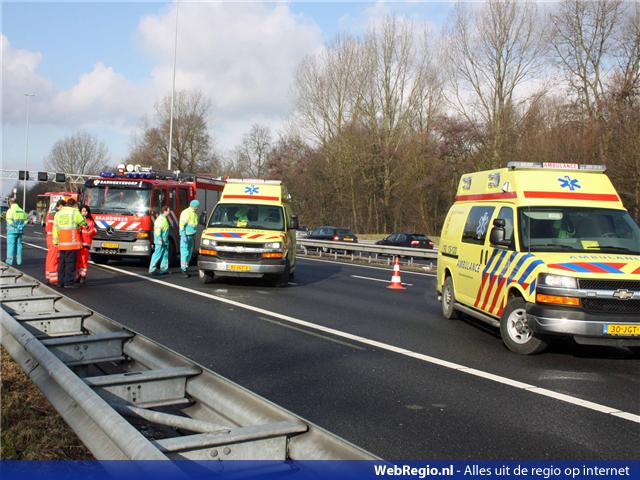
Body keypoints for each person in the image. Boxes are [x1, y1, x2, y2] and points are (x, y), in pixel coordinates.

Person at [52, 198, 86, 289]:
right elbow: (83, 223)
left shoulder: (58, 214)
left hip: (61, 243)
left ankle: (60, 282)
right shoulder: (75, 212)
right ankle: (69, 283)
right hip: (72, 243)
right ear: (74, 205)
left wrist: (55, 241)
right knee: (70, 263)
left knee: (61, 263)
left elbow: (55, 228)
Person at [45, 199, 66, 284]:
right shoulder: (56, 214)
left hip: (50, 237)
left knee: (50, 257)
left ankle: (48, 275)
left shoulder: (51, 213)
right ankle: (53, 278)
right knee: (54, 258)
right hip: (54, 237)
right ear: (60, 206)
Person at [76, 205, 97, 283]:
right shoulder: (78, 220)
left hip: (86, 243)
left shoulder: (90, 221)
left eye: (86, 211)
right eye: (83, 211)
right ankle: (78, 275)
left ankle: (83, 275)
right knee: (77, 260)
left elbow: (94, 231)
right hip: (78, 243)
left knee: (83, 260)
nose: (84, 212)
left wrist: (88, 230)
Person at [179, 199, 199, 278]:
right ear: (194, 206)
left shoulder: (194, 213)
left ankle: (186, 267)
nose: (197, 208)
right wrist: (183, 235)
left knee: (189, 253)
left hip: (191, 236)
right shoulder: (186, 213)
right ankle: (183, 269)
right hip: (186, 236)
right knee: (185, 253)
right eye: (197, 206)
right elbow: (182, 225)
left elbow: (194, 224)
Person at [5, 199, 28, 266]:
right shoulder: (21, 211)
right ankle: (19, 260)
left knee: (11, 245)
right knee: (19, 245)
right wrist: (22, 226)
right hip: (20, 231)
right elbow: (26, 220)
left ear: (10, 203)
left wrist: (15, 226)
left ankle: (9, 261)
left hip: (12, 231)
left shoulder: (10, 211)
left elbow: (9, 221)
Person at [149, 206, 171, 276]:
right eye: (168, 210)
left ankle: (164, 269)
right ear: (165, 211)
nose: (169, 212)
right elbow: (158, 231)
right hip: (160, 241)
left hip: (164, 241)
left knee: (164, 255)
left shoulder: (164, 218)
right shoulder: (160, 219)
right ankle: (152, 269)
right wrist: (159, 240)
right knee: (157, 254)